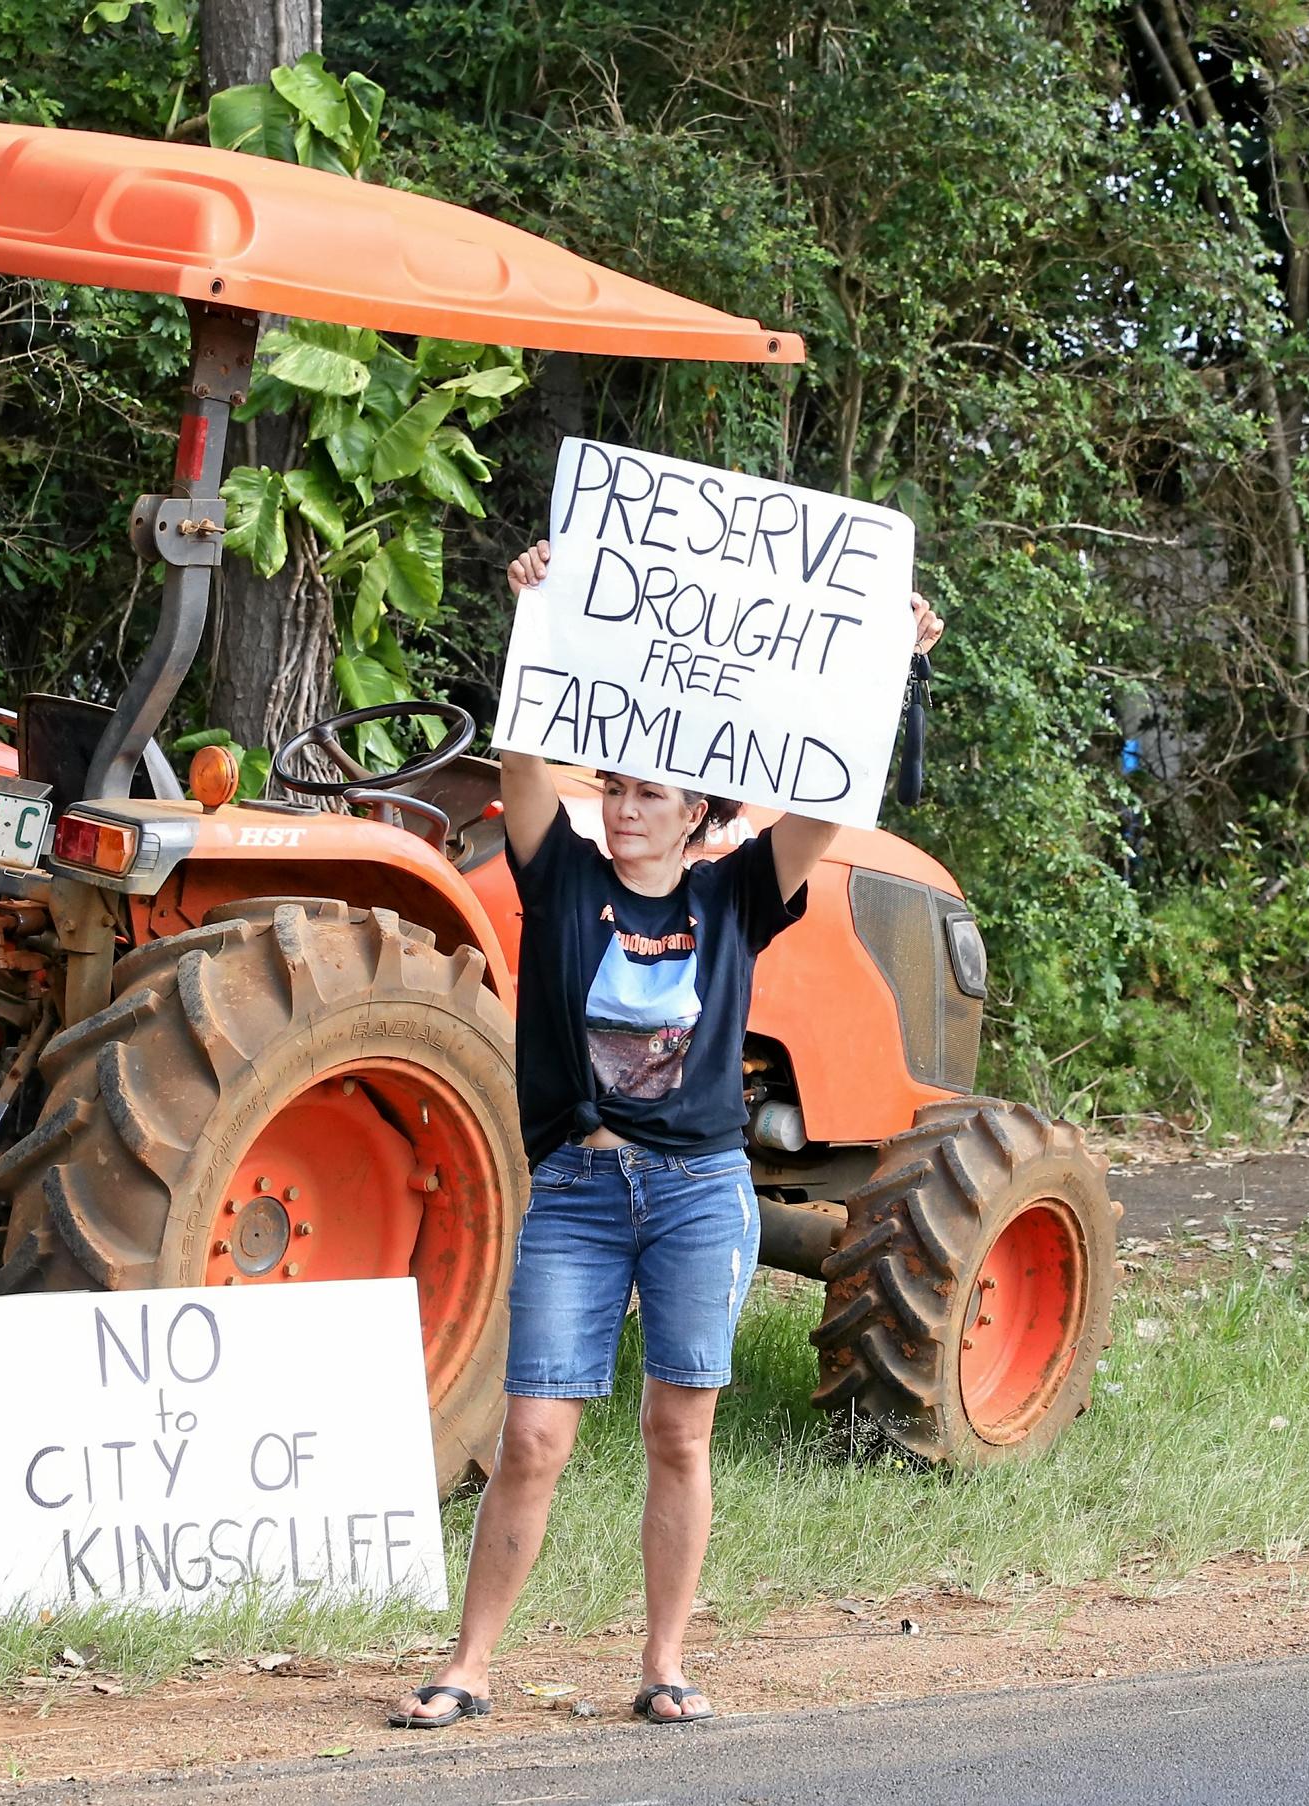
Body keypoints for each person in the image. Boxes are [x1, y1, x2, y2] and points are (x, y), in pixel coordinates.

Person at [391, 540, 944, 1730]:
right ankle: (470, 1663)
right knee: (533, 1432)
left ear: (698, 814)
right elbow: (524, 750)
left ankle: (664, 1659)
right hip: (580, 1193)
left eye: (651, 794)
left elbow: (831, 798)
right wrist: (534, 616)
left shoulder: (734, 895)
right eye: (620, 790)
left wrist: (884, 663)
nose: (627, 808)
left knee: (676, 1430)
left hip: (698, 1192)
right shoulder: (562, 877)